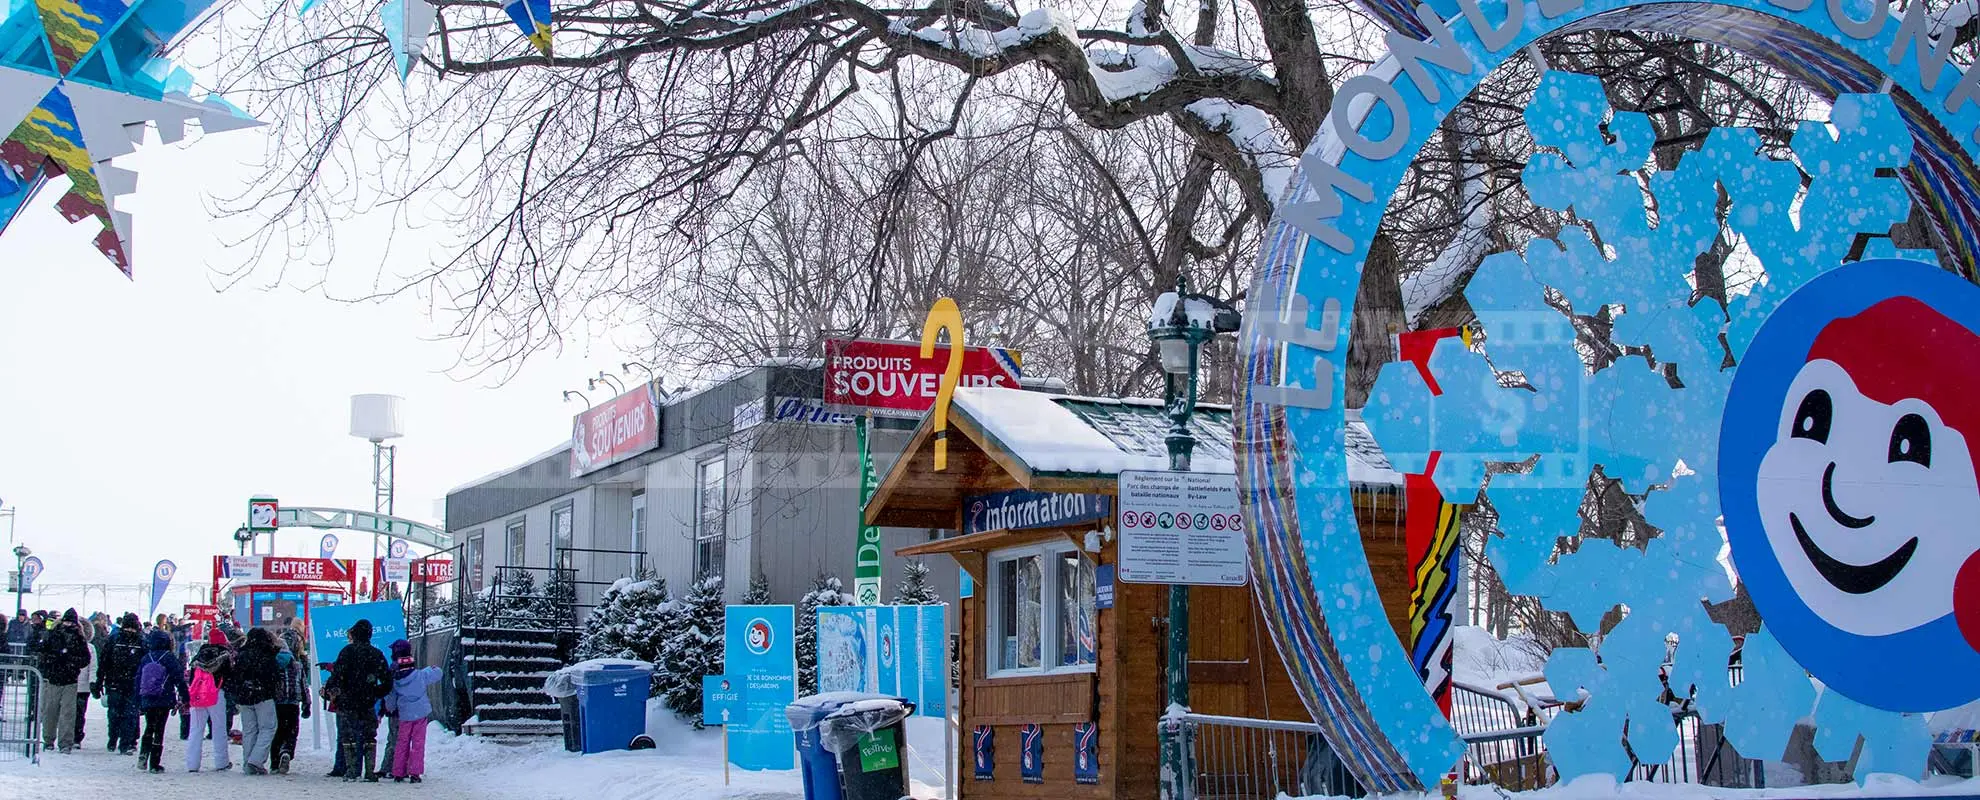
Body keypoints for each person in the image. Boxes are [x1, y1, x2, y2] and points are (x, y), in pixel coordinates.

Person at [323, 618, 393, 782]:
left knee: (349, 736)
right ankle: (369, 771)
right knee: (369, 736)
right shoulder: (376, 654)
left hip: (348, 701)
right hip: (367, 700)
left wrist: (333, 692)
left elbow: (337, 676)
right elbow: (387, 680)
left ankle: (352, 770)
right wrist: (376, 692)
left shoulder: (347, 652)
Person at [384, 640, 441, 783]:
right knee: (418, 743)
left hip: (404, 715)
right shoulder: (421, 675)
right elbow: (438, 673)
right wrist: (433, 667)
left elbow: (390, 700)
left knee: (402, 742)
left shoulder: (395, 680)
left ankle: (398, 772)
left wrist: (390, 708)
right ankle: (415, 773)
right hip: (420, 714)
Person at [229, 627, 283, 774]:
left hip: (245, 697)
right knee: (268, 728)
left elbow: (235, 677)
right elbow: (275, 677)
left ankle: (248, 763)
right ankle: (256, 760)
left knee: (249, 730)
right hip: (264, 696)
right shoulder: (268, 655)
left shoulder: (241, 655)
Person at [36, 609, 91, 753]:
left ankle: (65, 742)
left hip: (69, 680)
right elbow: (42, 653)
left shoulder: (78, 638)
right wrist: (53, 662)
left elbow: (85, 659)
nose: (68, 625)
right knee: (51, 711)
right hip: (55, 678)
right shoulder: (53, 635)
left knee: (67, 713)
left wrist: (71, 662)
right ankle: (49, 740)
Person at [135, 627, 189, 774]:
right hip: (164, 697)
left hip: (147, 697)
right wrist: (185, 697)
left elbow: (138, 679)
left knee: (149, 726)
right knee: (159, 729)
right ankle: (154, 763)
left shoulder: (147, 657)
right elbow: (179, 679)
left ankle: (143, 754)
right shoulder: (169, 657)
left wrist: (137, 699)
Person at [184, 627, 234, 772]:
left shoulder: (199, 656)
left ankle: (192, 764)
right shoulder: (224, 655)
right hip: (216, 694)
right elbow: (229, 678)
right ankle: (221, 762)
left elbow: (192, 678)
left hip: (198, 695)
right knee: (219, 728)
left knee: (196, 729)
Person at [97, 613, 145, 754]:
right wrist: (99, 681)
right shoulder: (114, 640)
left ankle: (126, 742)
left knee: (129, 714)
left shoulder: (140, 641)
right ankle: (113, 739)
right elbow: (104, 662)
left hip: (131, 684)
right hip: (115, 682)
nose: (129, 631)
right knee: (115, 713)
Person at [273, 625, 310, 774]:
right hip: (293, 702)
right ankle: (287, 751)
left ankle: (275, 762)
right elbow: (303, 685)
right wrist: (307, 704)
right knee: (291, 731)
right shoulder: (297, 664)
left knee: (277, 731)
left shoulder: (275, 663)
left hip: (277, 702)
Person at [73, 622, 96, 747]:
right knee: (68, 712)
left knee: (79, 713)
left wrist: (92, 682)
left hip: (82, 687)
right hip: (69, 683)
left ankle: (77, 736)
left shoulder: (90, 648)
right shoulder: (71, 644)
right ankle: (69, 735)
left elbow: (93, 667)